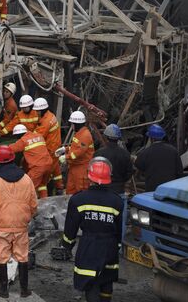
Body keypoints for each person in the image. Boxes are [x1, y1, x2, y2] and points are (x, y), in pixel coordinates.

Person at [62, 157, 123, 302]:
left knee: (90, 282)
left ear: (90, 177)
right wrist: (117, 246)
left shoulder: (78, 200)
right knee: (106, 282)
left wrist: (67, 245)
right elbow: (119, 230)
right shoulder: (117, 201)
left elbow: (71, 228)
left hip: (89, 246)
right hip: (110, 246)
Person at [0, 145, 37, 298]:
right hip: (21, 225)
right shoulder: (26, 178)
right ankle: (24, 290)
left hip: (2, 225)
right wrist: (27, 217)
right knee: (22, 256)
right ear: (13, 158)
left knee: (1, 256)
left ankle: (3, 290)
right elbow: (33, 204)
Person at [134, 124, 183, 192]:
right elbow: (180, 172)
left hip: (153, 190)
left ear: (152, 138)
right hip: (170, 189)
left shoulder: (146, 152)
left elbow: (138, 164)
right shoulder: (173, 150)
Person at [9, 124, 53, 198]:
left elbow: (10, 149)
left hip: (37, 168)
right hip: (49, 165)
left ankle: (28, 206)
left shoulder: (23, 140)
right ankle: (45, 203)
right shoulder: (38, 136)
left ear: (18, 135)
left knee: (28, 188)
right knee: (42, 185)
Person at [57, 111, 94, 195]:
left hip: (82, 168)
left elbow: (79, 152)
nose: (71, 126)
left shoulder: (85, 135)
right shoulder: (79, 134)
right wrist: (65, 149)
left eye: (72, 124)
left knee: (81, 193)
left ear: (77, 124)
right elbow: (75, 148)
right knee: (70, 191)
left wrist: (66, 157)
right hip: (74, 167)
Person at [34, 97, 64, 194]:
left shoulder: (46, 121)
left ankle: (44, 196)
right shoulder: (51, 116)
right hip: (55, 148)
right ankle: (59, 188)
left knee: (44, 178)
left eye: (38, 111)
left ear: (42, 110)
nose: (37, 113)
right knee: (56, 170)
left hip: (50, 150)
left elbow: (38, 136)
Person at [94, 124, 133, 194]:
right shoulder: (125, 154)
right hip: (119, 190)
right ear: (118, 138)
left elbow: (94, 171)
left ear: (106, 137)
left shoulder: (99, 153)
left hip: (102, 189)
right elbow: (129, 173)